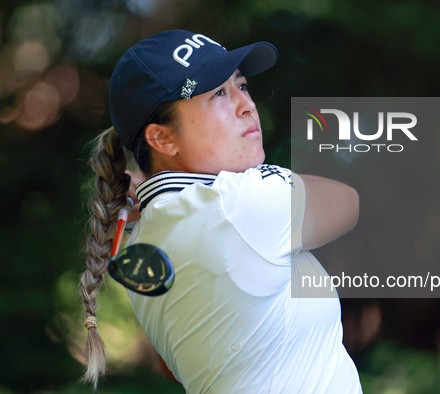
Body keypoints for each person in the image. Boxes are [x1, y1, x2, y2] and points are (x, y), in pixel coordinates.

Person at [80, 29, 361, 393]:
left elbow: (173, 366)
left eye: (241, 86)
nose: (246, 105)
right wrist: (263, 177)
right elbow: (348, 202)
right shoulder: (234, 206)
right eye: (218, 94)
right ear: (162, 138)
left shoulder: (140, 243)